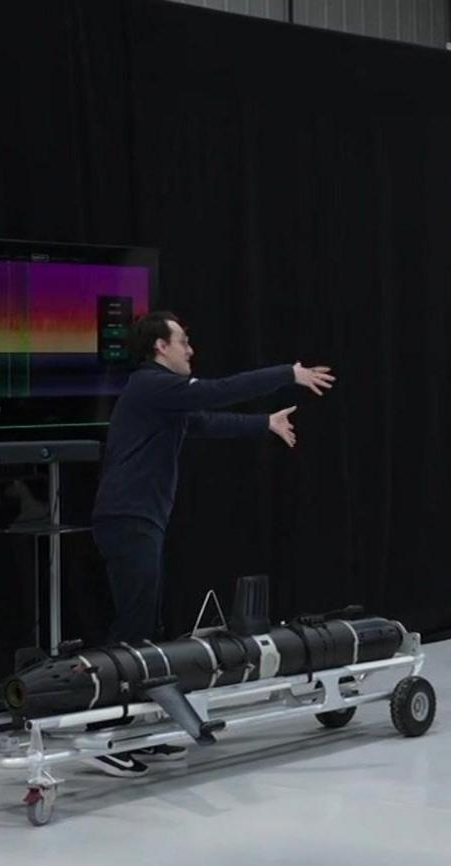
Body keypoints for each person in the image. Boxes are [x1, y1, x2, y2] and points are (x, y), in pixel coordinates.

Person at [87, 310, 334, 775]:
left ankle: (138, 731)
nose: (190, 349)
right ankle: (103, 735)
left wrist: (265, 424)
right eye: (183, 340)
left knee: (145, 631)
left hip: (140, 519)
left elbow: (204, 422)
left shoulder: (164, 400)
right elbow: (221, 391)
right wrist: (290, 374)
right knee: (132, 629)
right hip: (128, 518)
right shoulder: (152, 386)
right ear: (160, 347)